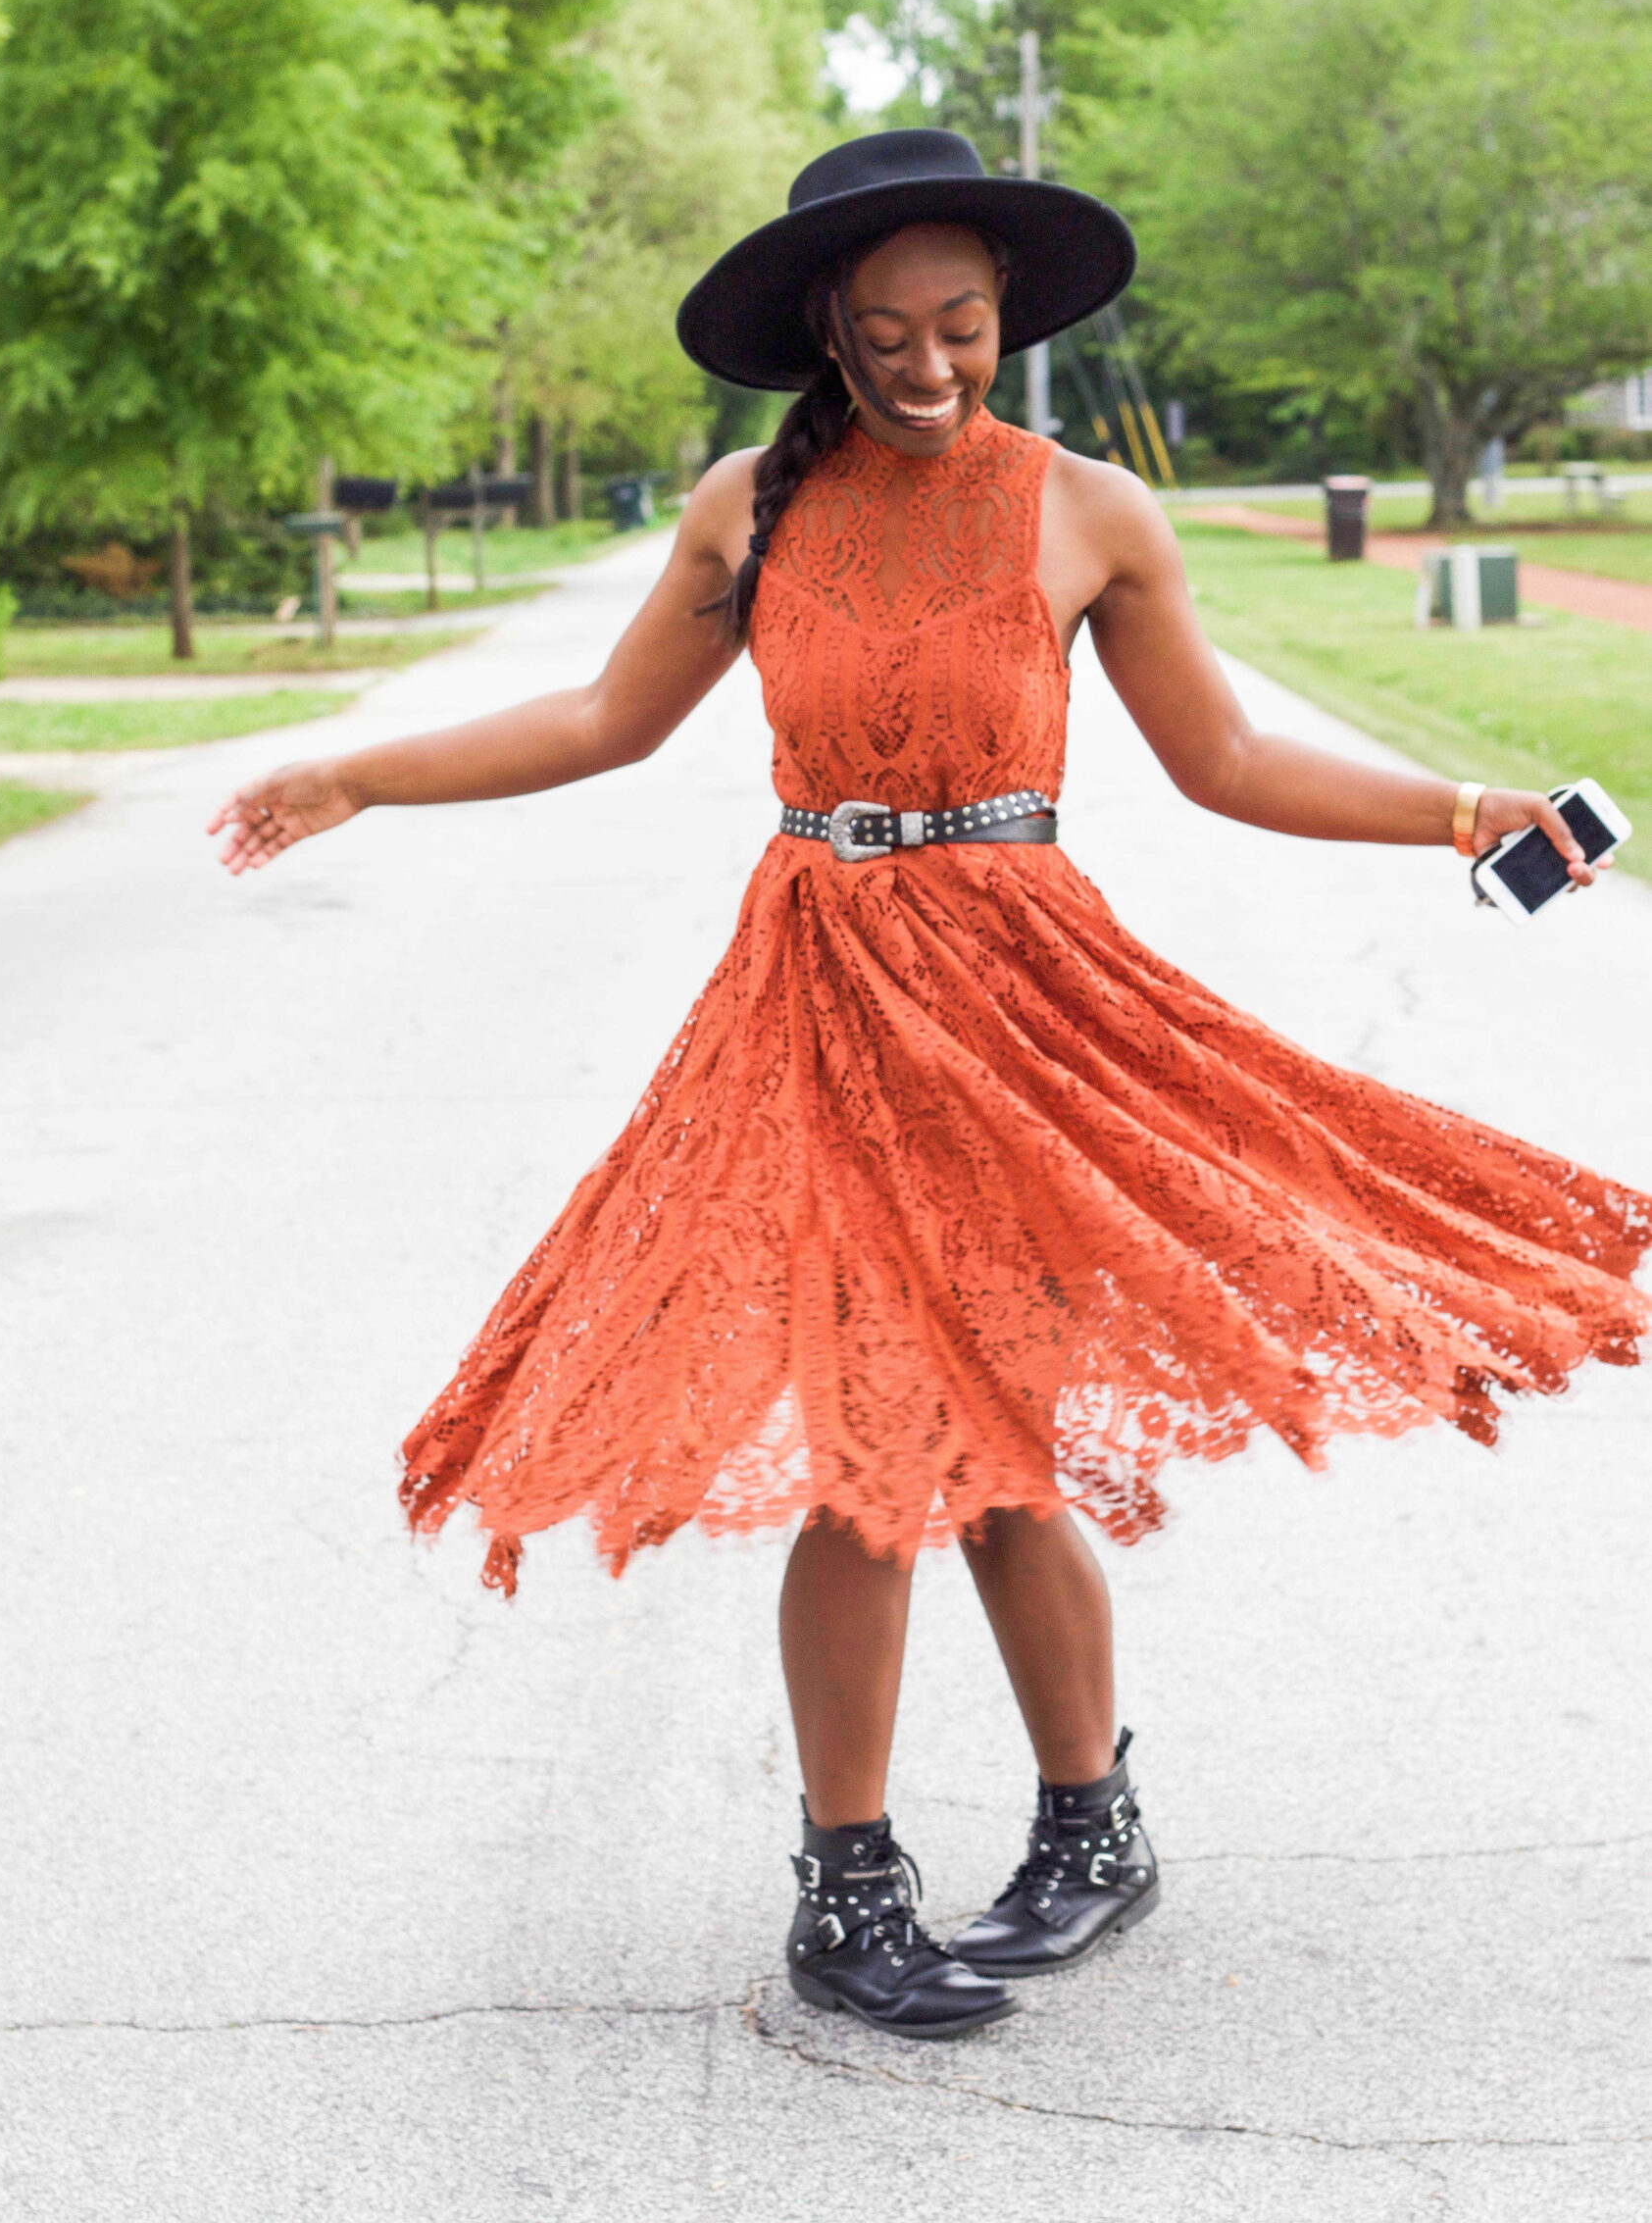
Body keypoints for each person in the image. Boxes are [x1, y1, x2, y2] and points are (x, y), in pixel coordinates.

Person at [211, 130, 1650, 2044]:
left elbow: (1221, 759)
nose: (921, 361)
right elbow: (598, 719)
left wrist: (1461, 807)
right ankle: (848, 1874)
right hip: (812, 1001)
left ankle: (1088, 1825)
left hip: (1024, 1008)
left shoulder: (1082, 509)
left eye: (957, 324)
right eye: (881, 326)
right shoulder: (748, 506)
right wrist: (364, 769)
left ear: (1004, 320)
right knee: (875, 1444)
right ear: (823, 324)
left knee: (996, 1452)